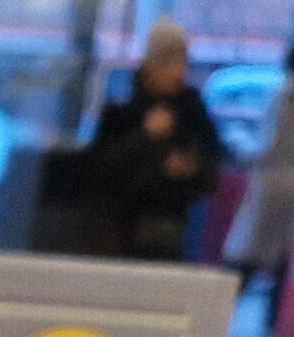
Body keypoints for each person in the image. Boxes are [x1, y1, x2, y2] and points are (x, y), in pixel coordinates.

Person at [87, 21, 224, 262]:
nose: (177, 72)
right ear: (151, 64)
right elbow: (100, 171)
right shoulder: (123, 109)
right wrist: (144, 136)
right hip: (123, 231)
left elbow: (213, 164)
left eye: (182, 62)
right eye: (168, 62)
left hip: (177, 229)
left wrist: (190, 168)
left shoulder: (192, 111)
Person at [229, 41, 294, 330]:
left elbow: (269, 146)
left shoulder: (283, 96)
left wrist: (240, 146)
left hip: (272, 184)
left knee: (250, 253)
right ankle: (274, 323)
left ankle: (223, 306)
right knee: (284, 256)